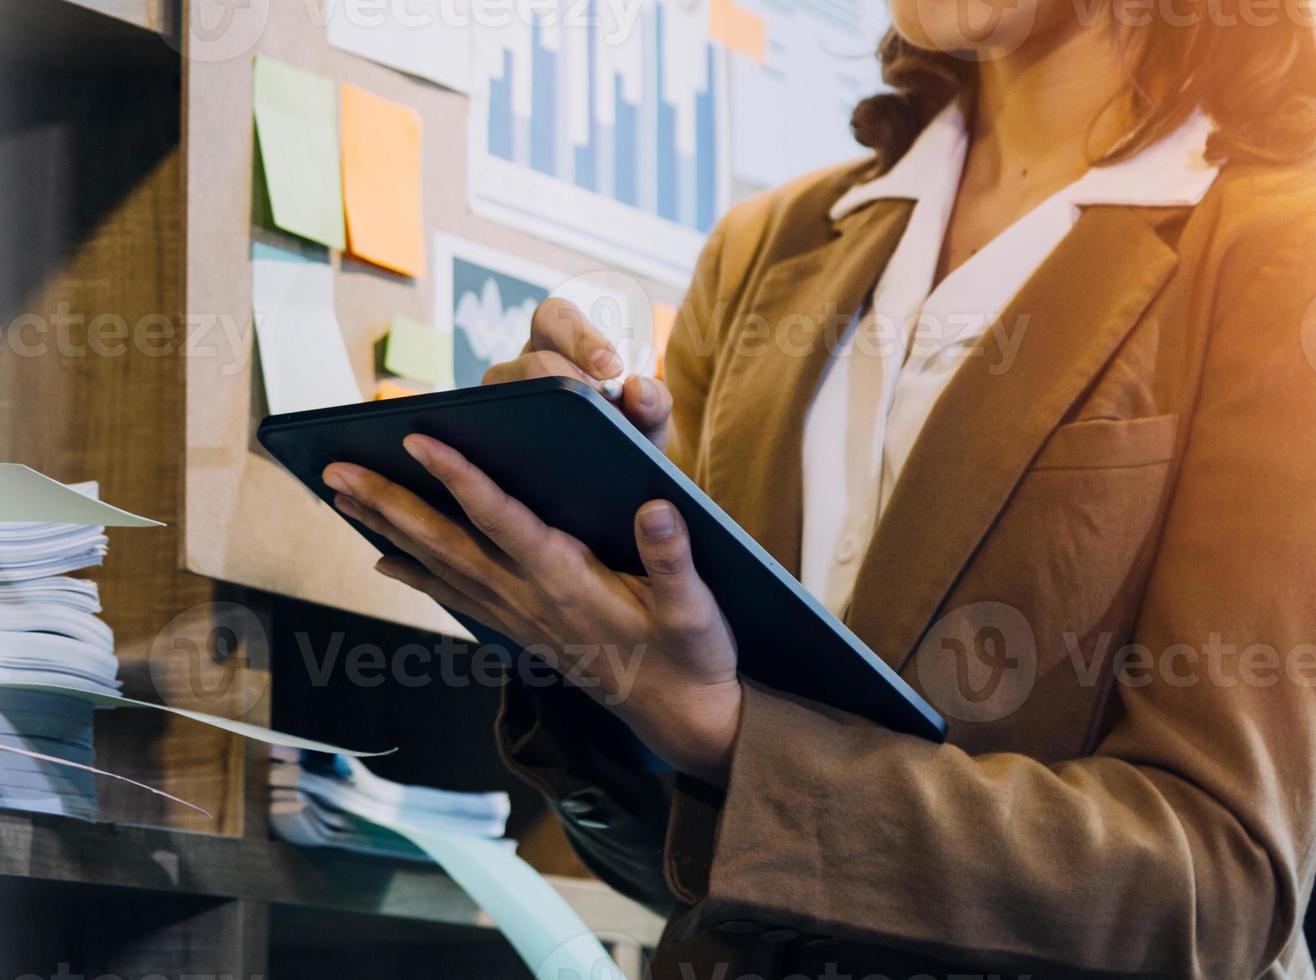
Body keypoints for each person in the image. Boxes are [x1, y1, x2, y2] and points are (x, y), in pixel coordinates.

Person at [325, 1, 1316, 975]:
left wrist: (740, 736)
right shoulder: (766, 250)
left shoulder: (1279, 242)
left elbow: (1220, 885)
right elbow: (681, 868)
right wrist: (599, 627)